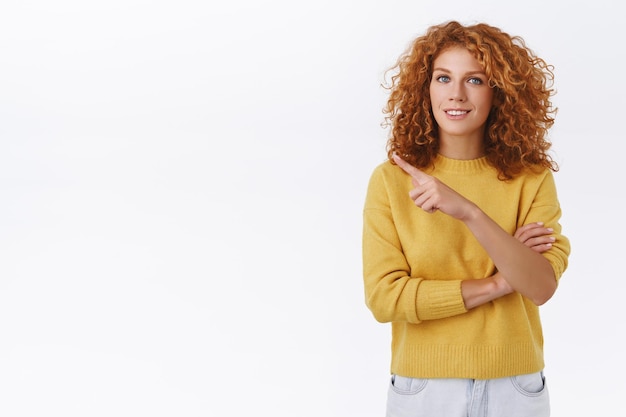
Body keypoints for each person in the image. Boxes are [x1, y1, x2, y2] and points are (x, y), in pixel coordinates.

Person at [362, 20, 571, 417]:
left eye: (474, 80)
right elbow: (385, 297)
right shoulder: (391, 180)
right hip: (424, 388)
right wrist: (498, 283)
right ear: (426, 87)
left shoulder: (531, 178)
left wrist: (469, 212)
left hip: (517, 385)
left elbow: (541, 286)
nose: (455, 94)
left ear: (500, 92)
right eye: (443, 78)